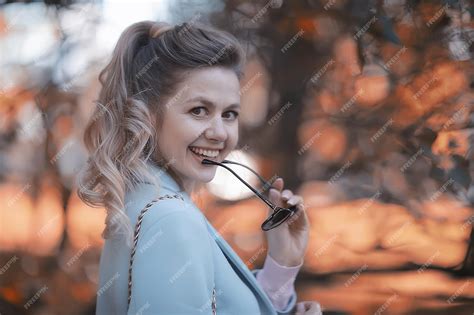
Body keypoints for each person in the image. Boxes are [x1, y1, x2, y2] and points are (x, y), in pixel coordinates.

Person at [77, 20, 322, 315]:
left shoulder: (149, 202)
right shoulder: (171, 219)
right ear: (149, 115)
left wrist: (282, 264)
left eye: (230, 114)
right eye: (199, 110)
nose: (220, 133)